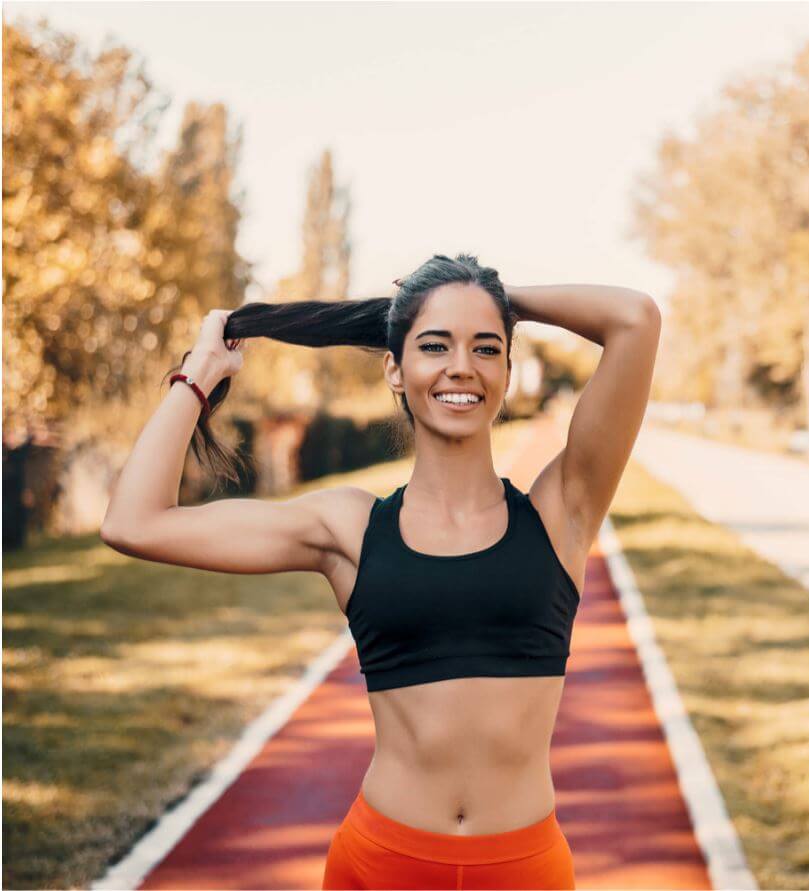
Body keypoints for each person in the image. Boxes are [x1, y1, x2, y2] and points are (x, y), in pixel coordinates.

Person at [99, 254, 662, 889]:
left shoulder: (563, 511)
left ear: (507, 369)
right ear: (395, 368)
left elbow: (635, 319)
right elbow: (133, 522)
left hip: (523, 868)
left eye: (486, 347)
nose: (461, 367)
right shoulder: (349, 530)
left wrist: (496, 297)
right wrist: (198, 374)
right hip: (381, 862)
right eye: (433, 345)